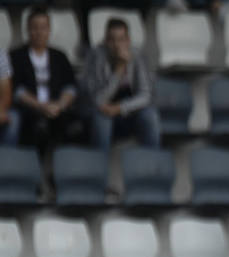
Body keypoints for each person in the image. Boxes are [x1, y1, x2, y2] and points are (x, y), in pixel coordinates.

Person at [5, 6, 81, 151]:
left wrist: (59, 104)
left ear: (49, 29)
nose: (39, 32)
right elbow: (15, 89)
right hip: (28, 109)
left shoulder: (59, 56)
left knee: (72, 124)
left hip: (57, 109)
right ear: (27, 30)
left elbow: (70, 86)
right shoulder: (16, 56)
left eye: (43, 27)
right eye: (34, 28)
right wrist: (39, 106)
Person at [80, 17, 159, 153]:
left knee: (149, 115)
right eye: (112, 40)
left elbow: (146, 95)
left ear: (128, 41)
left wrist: (120, 108)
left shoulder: (137, 56)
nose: (117, 45)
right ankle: (99, 168)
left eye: (121, 39)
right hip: (99, 112)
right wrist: (118, 70)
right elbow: (98, 100)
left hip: (126, 111)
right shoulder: (96, 57)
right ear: (105, 41)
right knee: (102, 119)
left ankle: (152, 164)